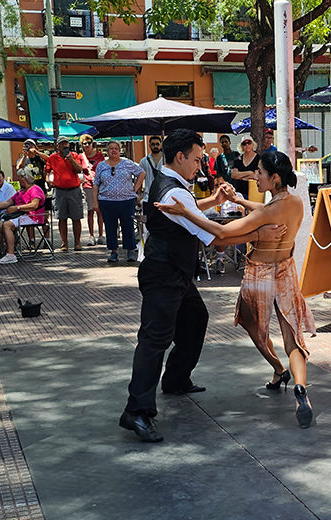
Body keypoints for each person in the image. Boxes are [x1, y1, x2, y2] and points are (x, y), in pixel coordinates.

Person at [119, 129, 284, 442]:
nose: (201, 164)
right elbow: (217, 238)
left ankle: (176, 379)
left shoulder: (171, 183)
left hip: (176, 272)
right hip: (163, 274)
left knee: (196, 320)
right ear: (179, 157)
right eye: (196, 159)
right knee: (154, 339)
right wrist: (258, 235)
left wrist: (213, 200)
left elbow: (189, 211)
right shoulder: (173, 193)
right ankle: (137, 411)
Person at [156, 149, 316, 428]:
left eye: (261, 173)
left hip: (260, 276)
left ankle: (278, 369)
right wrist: (238, 199)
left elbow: (221, 234)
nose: (256, 176)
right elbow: (265, 212)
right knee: (293, 338)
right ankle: (300, 387)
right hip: (286, 271)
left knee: (254, 328)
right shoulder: (296, 203)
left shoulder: (266, 212)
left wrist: (186, 212)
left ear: (275, 177)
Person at [93, 141, 144, 263]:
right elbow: (95, 184)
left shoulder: (127, 163)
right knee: (110, 227)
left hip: (127, 200)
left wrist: (135, 189)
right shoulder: (101, 166)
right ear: (107, 151)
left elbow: (142, 173)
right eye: (111, 149)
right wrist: (95, 202)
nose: (113, 151)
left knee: (128, 226)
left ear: (119, 150)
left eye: (116, 148)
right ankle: (113, 252)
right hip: (107, 201)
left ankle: (130, 250)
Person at [0, 165, 46, 264]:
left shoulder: (35, 189)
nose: (18, 180)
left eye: (19, 178)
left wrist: (17, 207)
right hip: (23, 216)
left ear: (24, 178)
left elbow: (34, 205)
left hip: (34, 217)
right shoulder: (21, 191)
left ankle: (11, 254)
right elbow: (7, 203)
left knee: (7, 224)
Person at [47, 136, 85, 251]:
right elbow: (47, 172)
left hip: (74, 190)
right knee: (61, 218)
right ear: (57, 146)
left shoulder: (74, 155)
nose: (64, 146)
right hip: (59, 191)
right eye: (62, 144)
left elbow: (79, 170)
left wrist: (71, 160)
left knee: (76, 218)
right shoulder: (52, 158)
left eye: (66, 144)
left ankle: (77, 243)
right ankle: (64, 243)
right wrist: (48, 180)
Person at [80, 134, 106, 246]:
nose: (87, 145)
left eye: (88, 143)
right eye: (84, 143)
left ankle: (101, 235)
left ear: (92, 143)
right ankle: (91, 236)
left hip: (100, 185)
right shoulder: (81, 157)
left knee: (100, 210)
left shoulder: (99, 155)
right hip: (88, 186)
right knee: (90, 210)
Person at [138, 135, 164, 203]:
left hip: (164, 196)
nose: (155, 146)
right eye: (153, 144)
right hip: (148, 197)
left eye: (157, 144)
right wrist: (139, 195)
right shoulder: (143, 161)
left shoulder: (166, 160)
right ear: (149, 145)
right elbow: (140, 179)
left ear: (161, 145)